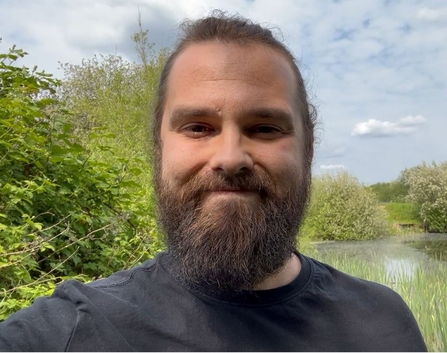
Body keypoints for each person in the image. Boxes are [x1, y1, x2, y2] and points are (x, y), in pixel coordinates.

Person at [0, 11, 427, 352]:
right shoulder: (66, 332)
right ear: (159, 149)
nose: (229, 158)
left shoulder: (384, 320)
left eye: (264, 128)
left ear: (307, 151)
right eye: (198, 127)